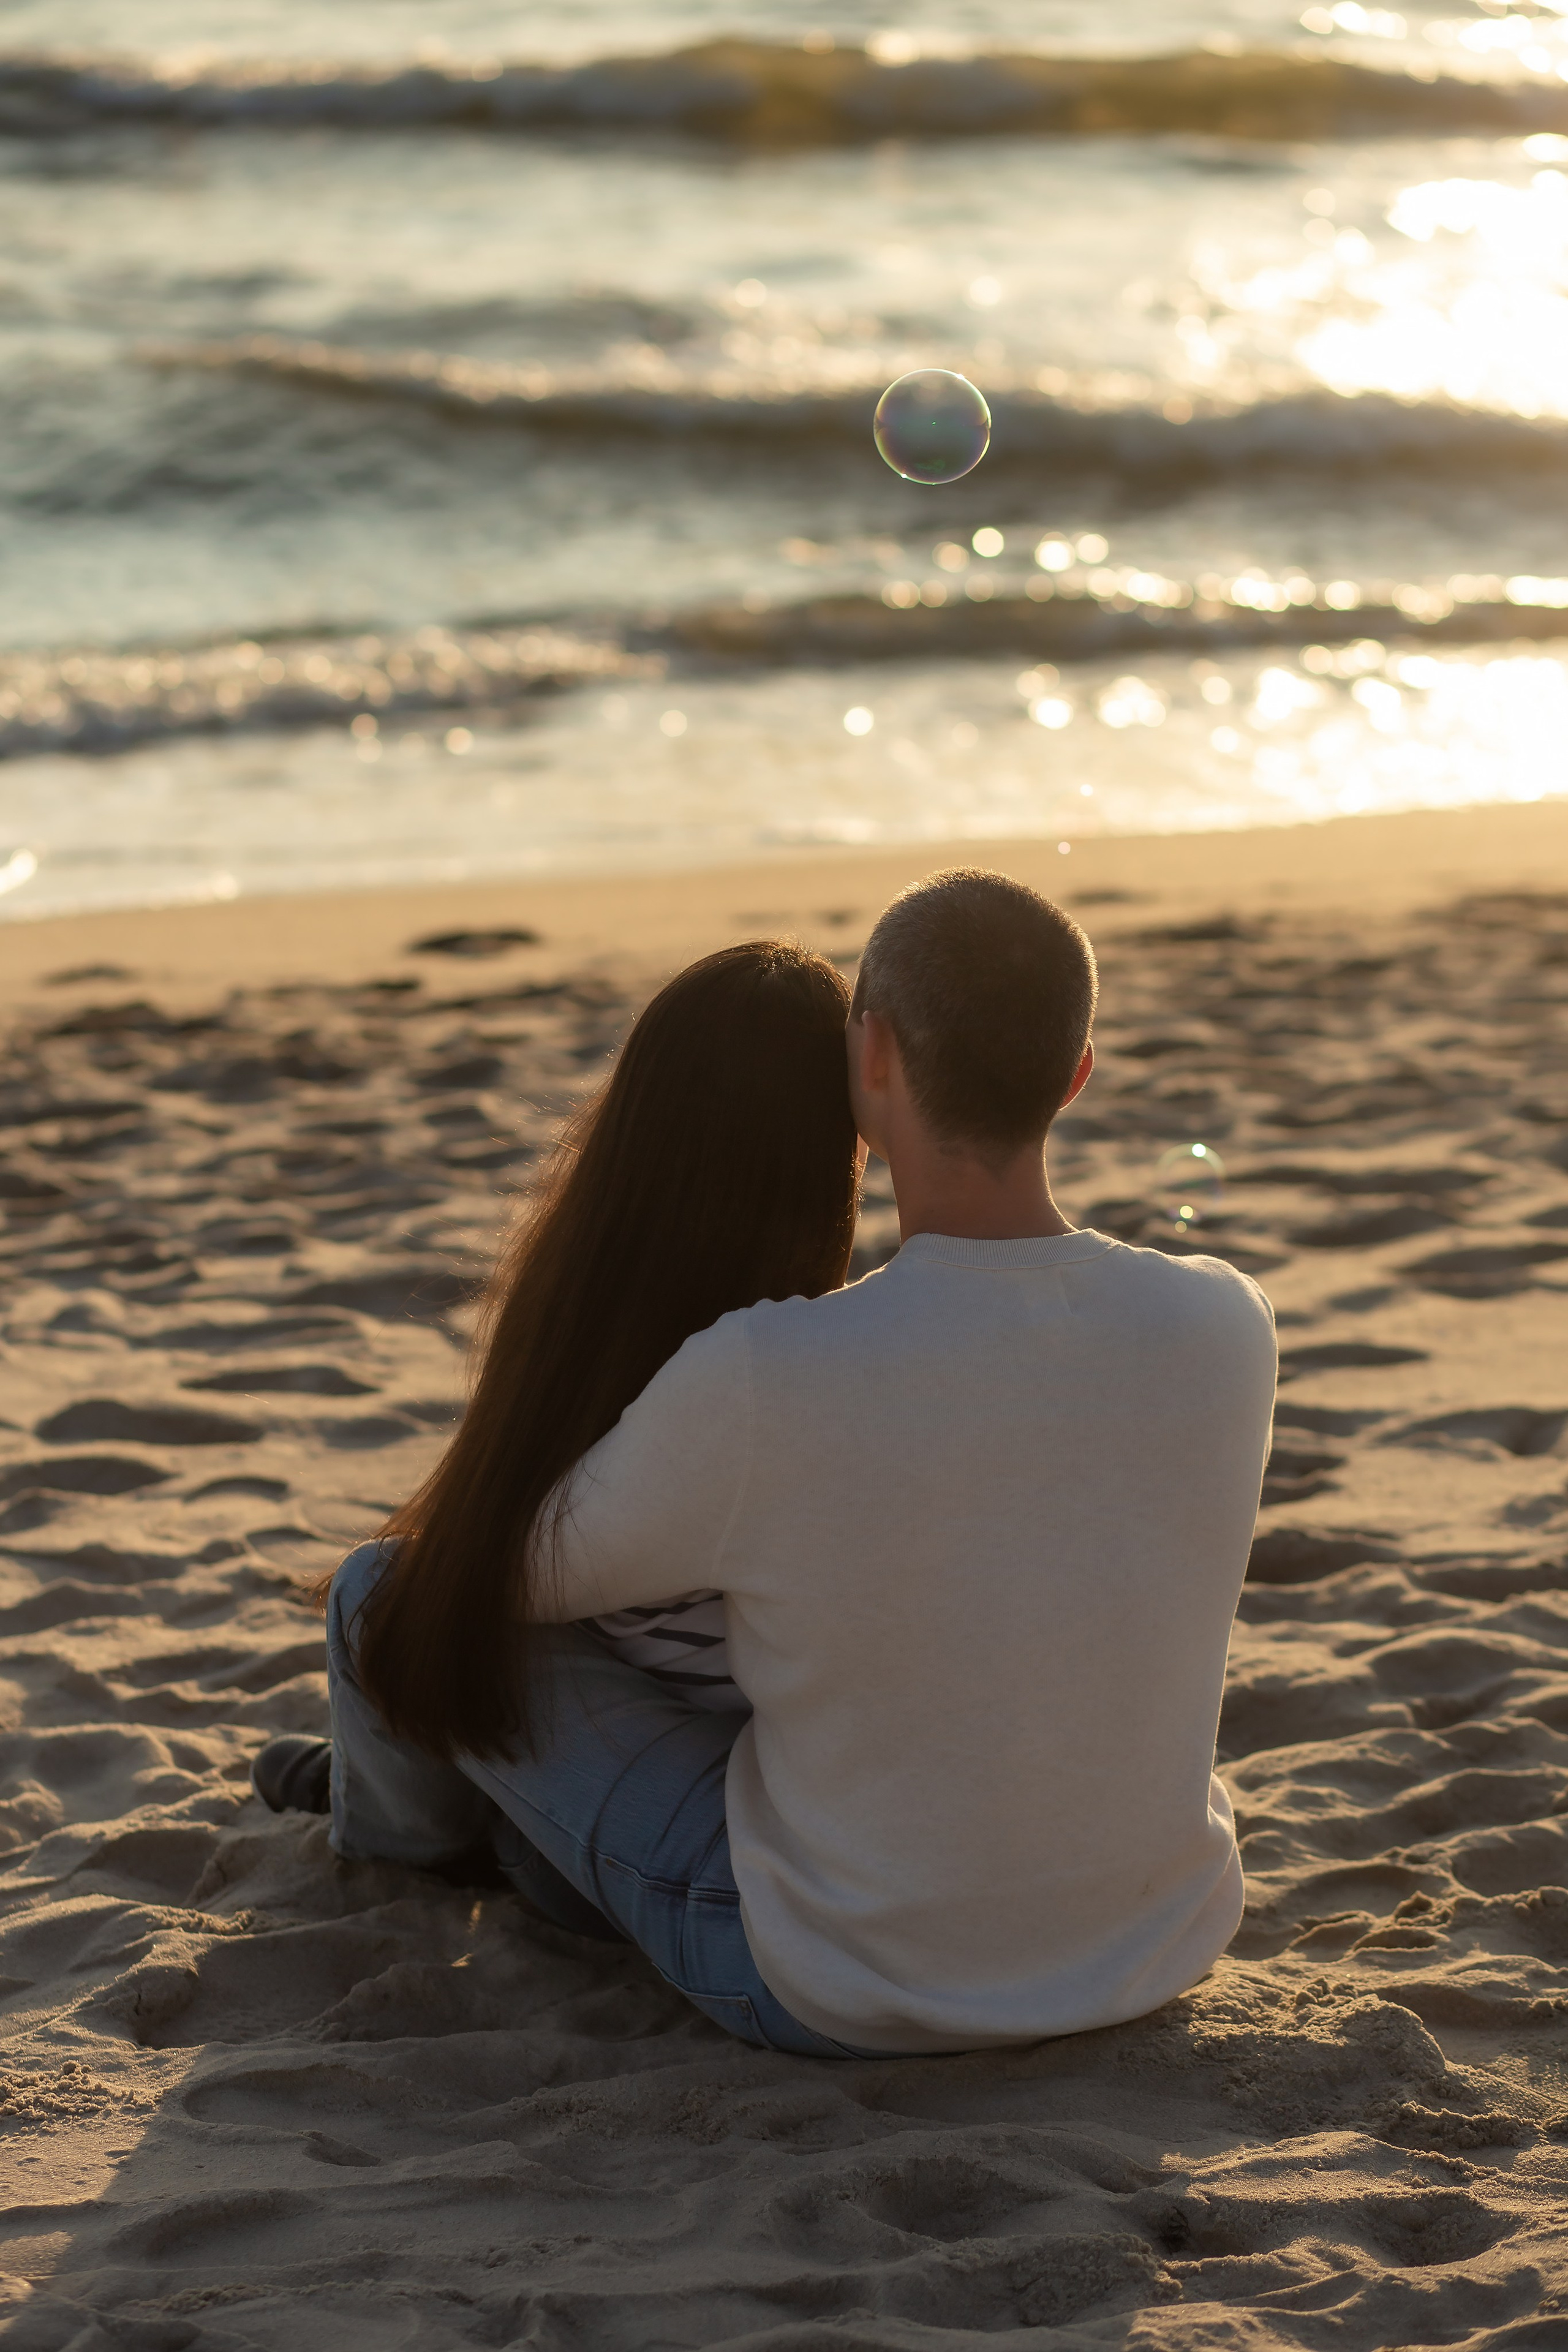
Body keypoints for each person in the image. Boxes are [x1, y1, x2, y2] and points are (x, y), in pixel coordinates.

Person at [255, 870, 1277, 2059]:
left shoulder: (770, 1372)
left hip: (844, 1984)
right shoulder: (1223, 1325)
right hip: (1146, 1949)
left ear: (874, 1060)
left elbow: (499, 1584)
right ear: (1074, 1074)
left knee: (385, 1594)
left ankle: (400, 1845)